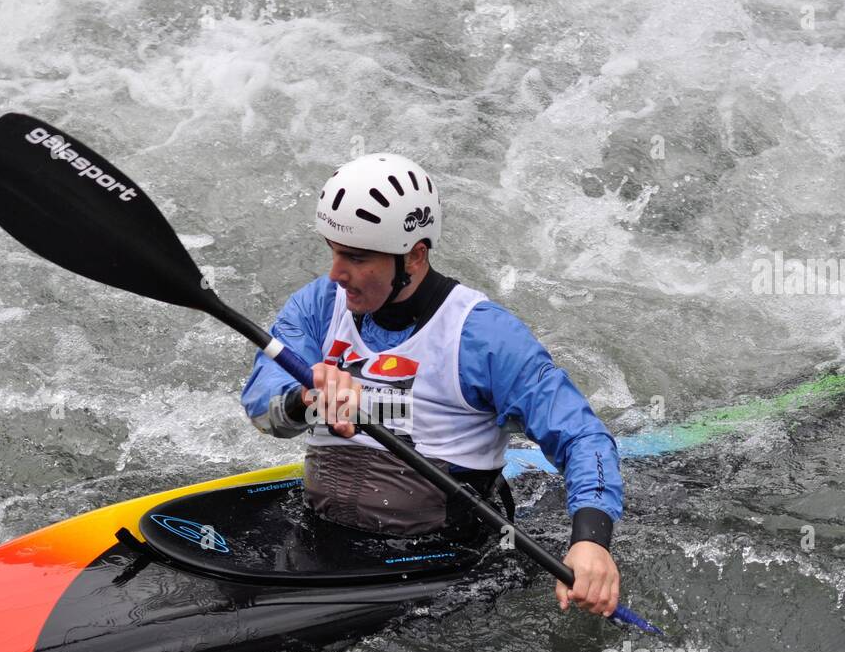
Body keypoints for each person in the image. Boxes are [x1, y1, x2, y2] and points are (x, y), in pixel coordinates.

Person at [242, 152, 623, 617]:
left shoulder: (482, 336)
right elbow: (262, 410)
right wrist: (305, 399)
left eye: (356, 258)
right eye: (334, 251)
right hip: (324, 534)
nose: (336, 273)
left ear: (415, 256)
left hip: (441, 559)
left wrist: (591, 542)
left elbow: (583, 437)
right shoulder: (320, 305)